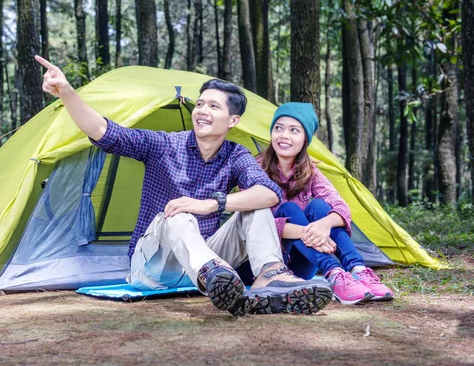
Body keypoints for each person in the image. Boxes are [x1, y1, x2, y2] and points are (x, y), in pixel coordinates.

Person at [35, 55, 332, 316]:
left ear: (233, 120)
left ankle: (269, 276)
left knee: (256, 209)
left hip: (206, 262)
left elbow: (269, 193)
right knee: (178, 213)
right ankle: (215, 277)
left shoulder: (235, 154)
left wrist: (213, 204)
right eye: (200, 104)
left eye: (214, 106)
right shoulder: (164, 144)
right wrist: (67, 92)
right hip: (154, 267)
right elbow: (104, 131)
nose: (202, 110)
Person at [258, 102, 394, 305]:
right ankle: (333, 273)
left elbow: (341, 207)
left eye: (294, 130)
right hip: (270, 264)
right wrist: (312, 234)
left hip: (303, 262)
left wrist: (324, 225)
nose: (284, 135)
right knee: (289, 209)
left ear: (305, 139)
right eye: (278, 128)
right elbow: (261, 225)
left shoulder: (309, 170)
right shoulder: (254, 168)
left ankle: (357, 269)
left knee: (320, 208)